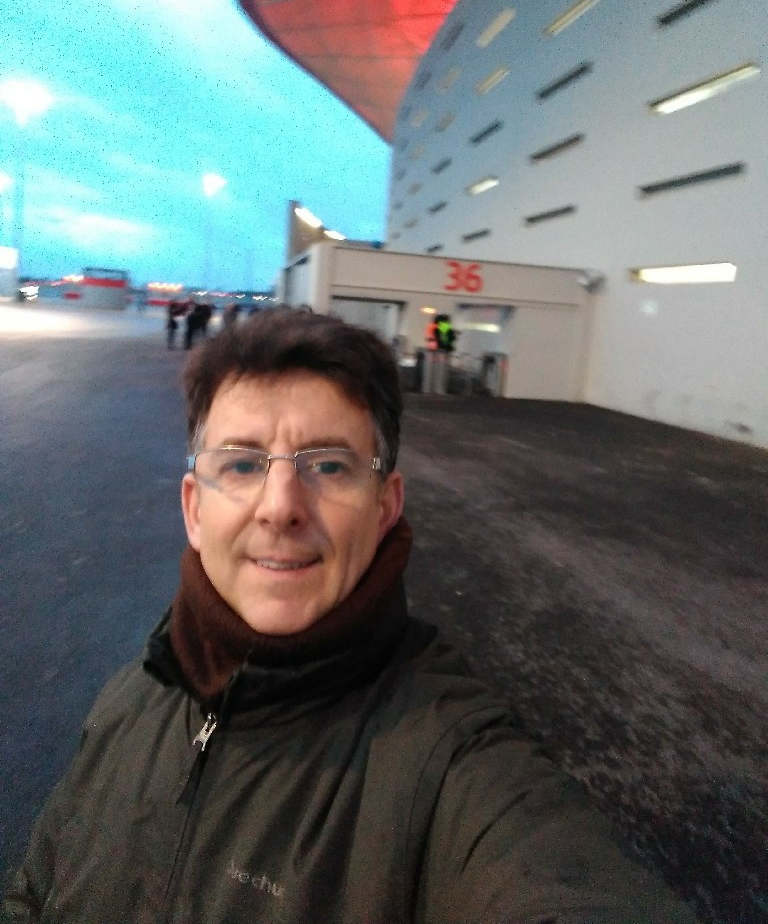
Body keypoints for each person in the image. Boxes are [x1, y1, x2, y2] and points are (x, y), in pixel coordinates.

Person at [3, 308, 699, 924]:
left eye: (330, 466)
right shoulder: (138, 691)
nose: (281, 506)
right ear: (193, 508)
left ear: (385, 506)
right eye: (242, 465)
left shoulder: (453, 764)